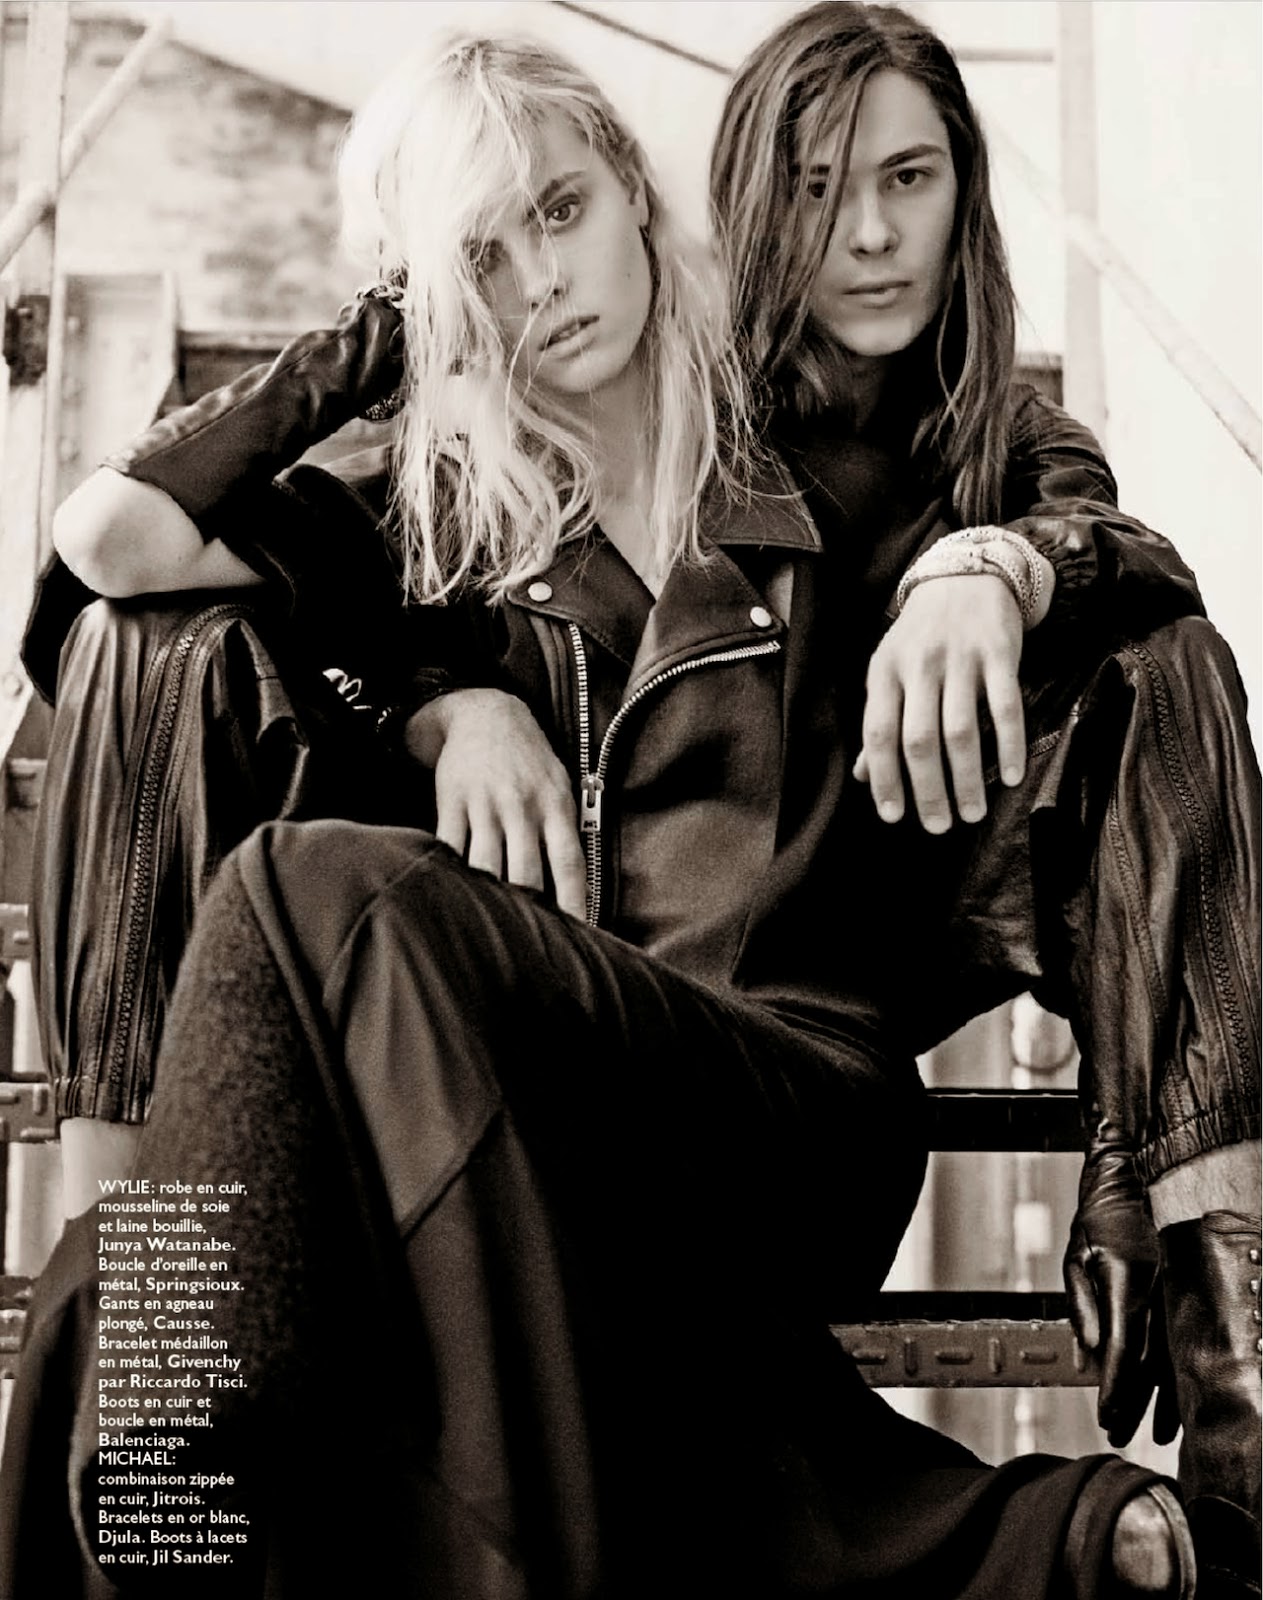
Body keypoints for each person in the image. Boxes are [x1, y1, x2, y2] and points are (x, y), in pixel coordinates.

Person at [0, 22, 1228, 1600]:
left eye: (561, 210)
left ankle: (165, 1446)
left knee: (308, 890)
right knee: (156, 683)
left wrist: (990, 570)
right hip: (544, 1143)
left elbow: (1111, 563)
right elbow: (113, 541)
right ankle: (171, 1429)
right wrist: (441, 660)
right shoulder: (438, 532)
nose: (545, 282)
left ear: (636, 195)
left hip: (787, 1109)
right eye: (483, 259)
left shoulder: (827, 448)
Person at [705, 6, 1260, 1593]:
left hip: (913, 937)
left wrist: (991, 563)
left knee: (1173, 668)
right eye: (818, 187)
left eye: (910, 177)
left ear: (965, 189)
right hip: (730, 1037)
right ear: (754, 202)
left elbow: (1139, 560)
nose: (871, 236)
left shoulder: (1004, 436)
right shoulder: (692, 427)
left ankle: (1244, 1420)